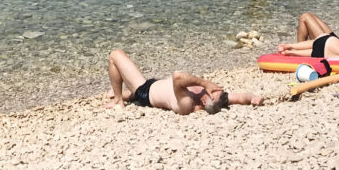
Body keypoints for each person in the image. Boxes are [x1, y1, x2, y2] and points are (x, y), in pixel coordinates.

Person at [106, 49, 263, 113]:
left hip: (145, 91)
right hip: (158, 85)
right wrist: (254, 98)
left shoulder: (187, 104)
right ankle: (124, 95)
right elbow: (242, 97)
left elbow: (178, 76)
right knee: (124, 92)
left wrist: (205, 83)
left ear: (206, 100)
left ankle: (119, 100)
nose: (218, 90)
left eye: (214, 93)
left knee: (115, 55)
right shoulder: (218, 99)